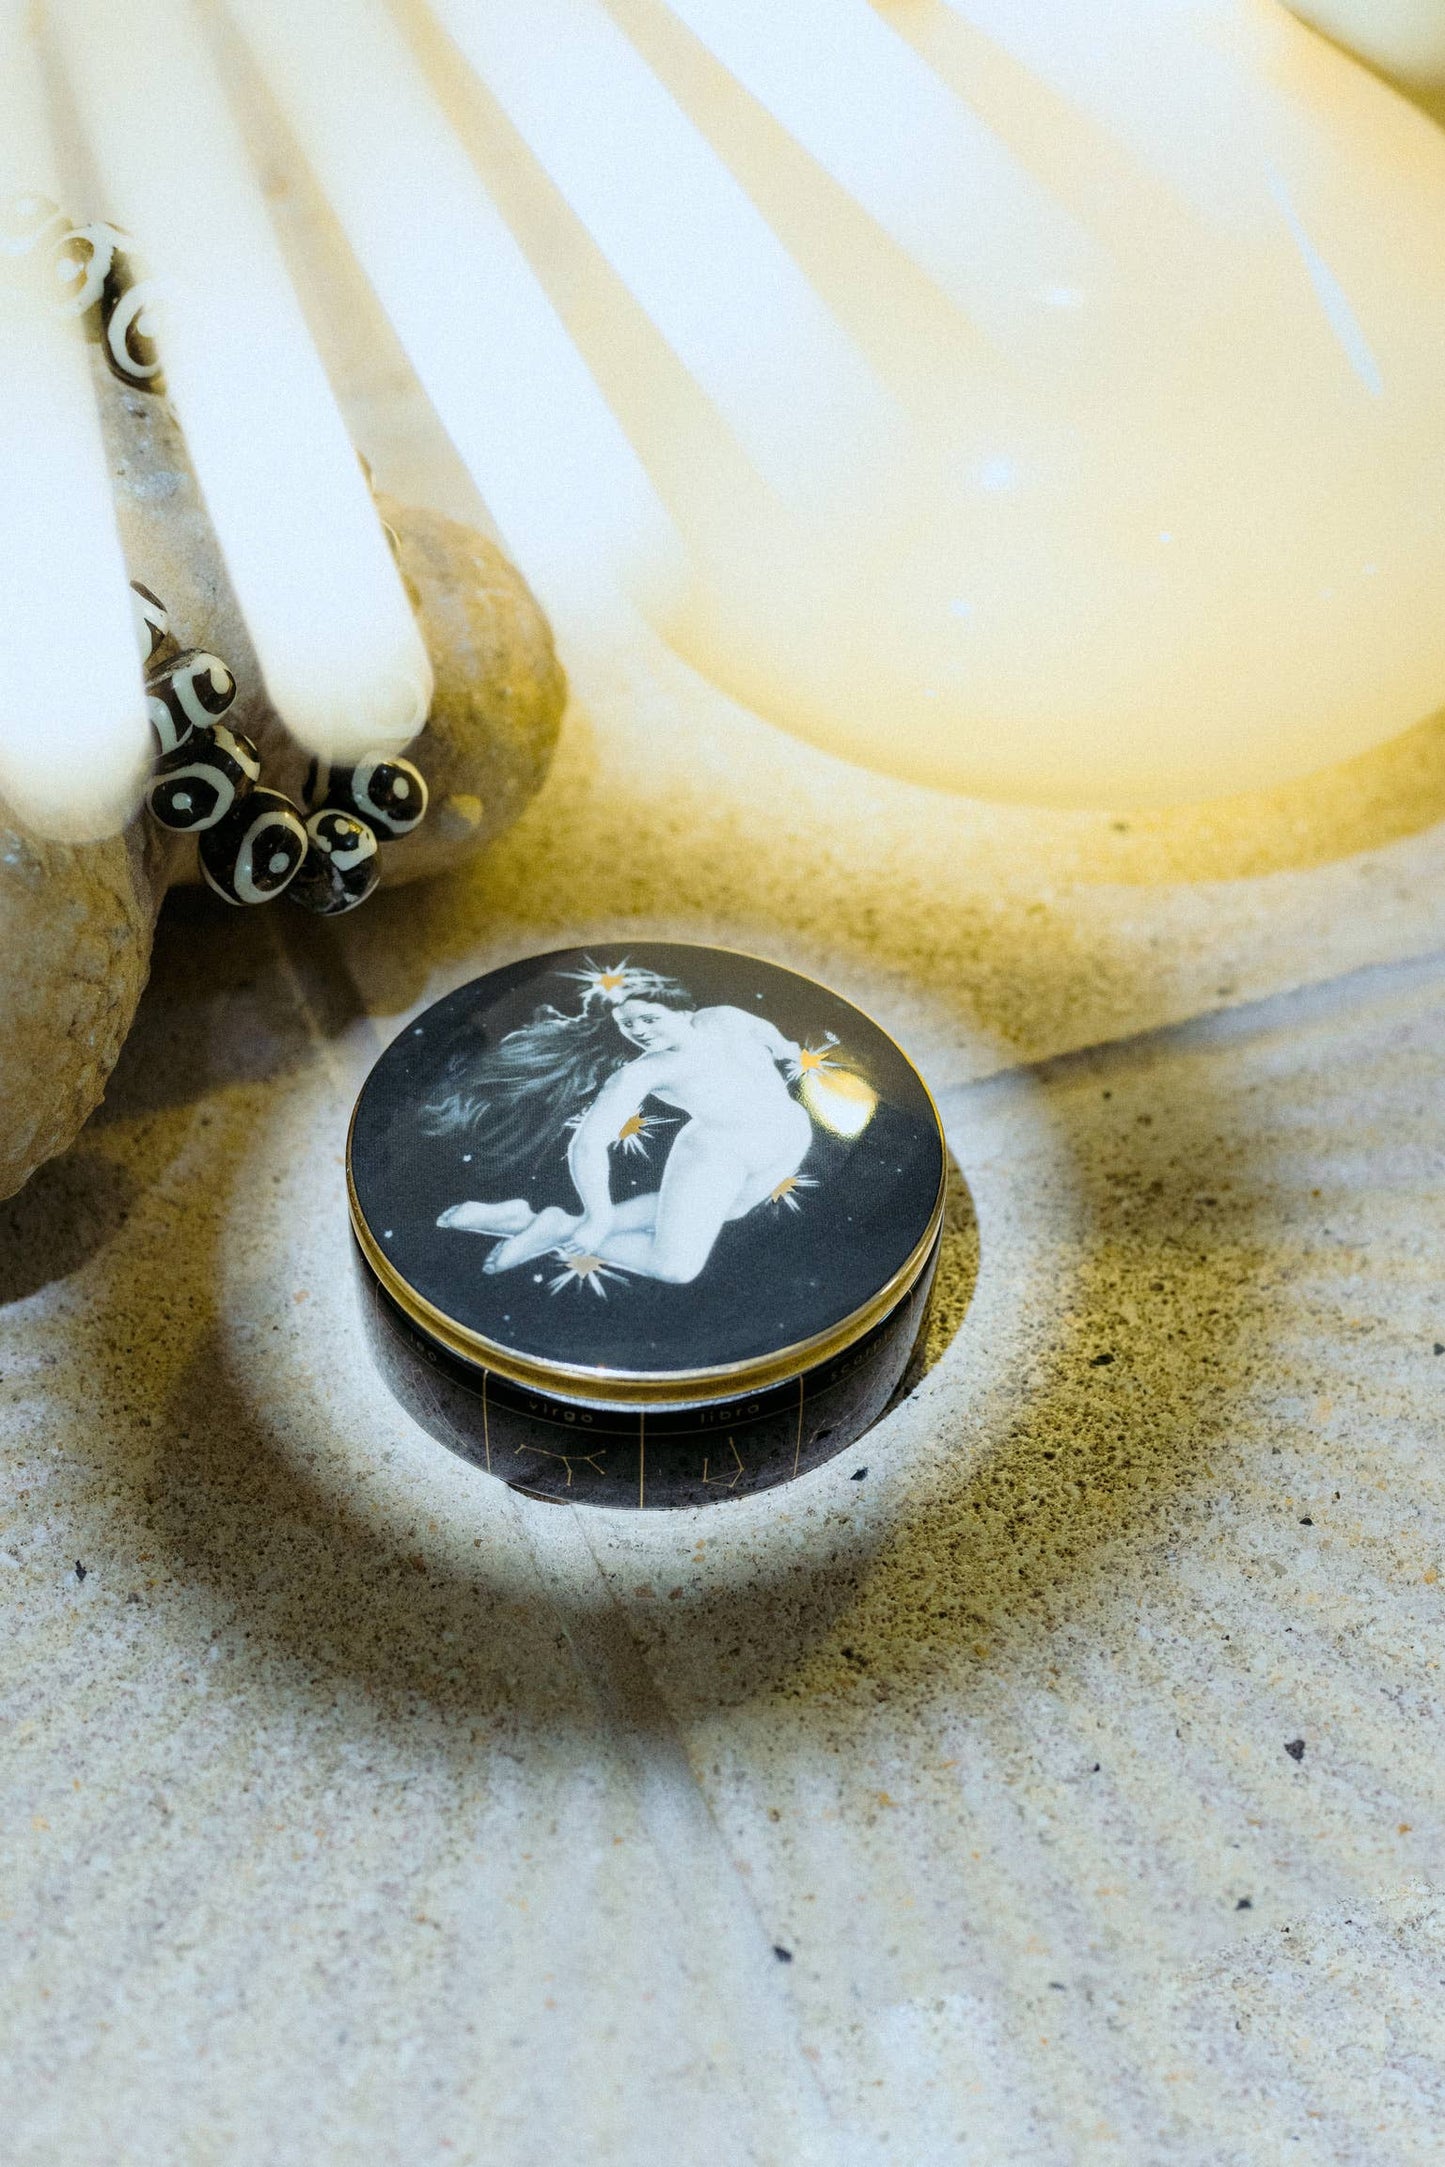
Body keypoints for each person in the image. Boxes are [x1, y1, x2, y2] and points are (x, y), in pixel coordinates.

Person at [427, 964, 817, 1287]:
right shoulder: (642, 1073)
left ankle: (547, 1223)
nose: (640, 1031)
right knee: (674, 1268)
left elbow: (767, 1033)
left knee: (729, 1210)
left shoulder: (724, 1019)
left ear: (681, 1010)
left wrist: (785, 1048)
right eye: (628, 1025)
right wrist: (597, 1217)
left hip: (791, 1133)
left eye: (649, 1018)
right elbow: (588, 1144)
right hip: (718, 1153)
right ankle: (542, 1224)